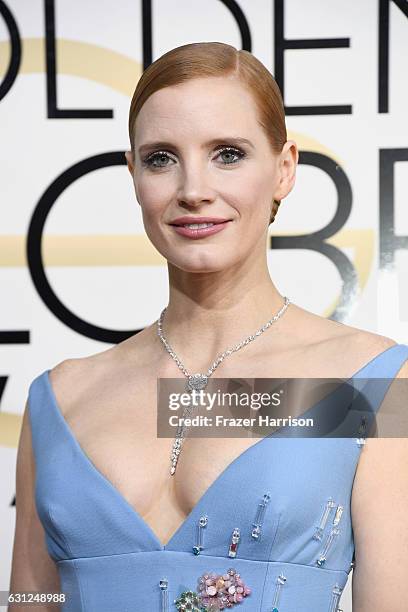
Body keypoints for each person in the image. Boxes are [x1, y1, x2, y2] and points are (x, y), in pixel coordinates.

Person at [9, 42, 407, 611]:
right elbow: (32, 599)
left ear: (284, 168)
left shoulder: (371, 385)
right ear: (134, 176)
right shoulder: (60, 398)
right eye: (161, 158)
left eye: (227, 153)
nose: (192, 189)